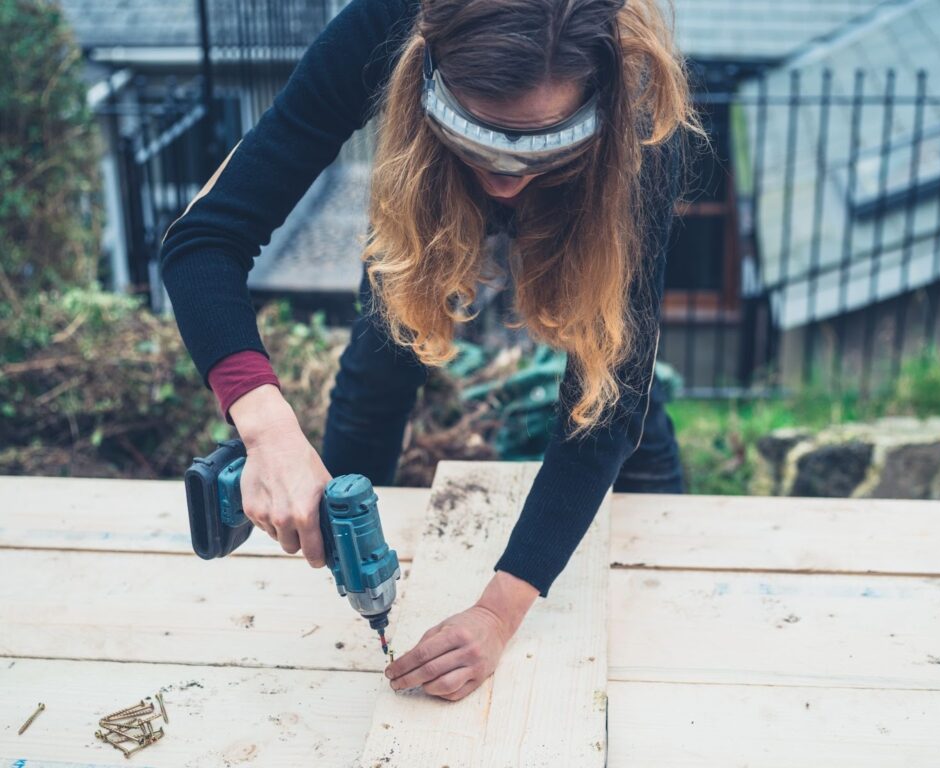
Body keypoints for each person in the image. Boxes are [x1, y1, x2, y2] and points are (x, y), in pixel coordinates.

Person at [159, 0, 706, 702]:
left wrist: (497, 612)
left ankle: (656, 505)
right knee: (384, 353)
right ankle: (350, 561)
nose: (504, 182)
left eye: (535, 145)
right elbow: (205, 242)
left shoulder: (638, 99)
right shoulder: (386, 22)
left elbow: (606, 402)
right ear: (426, 79)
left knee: (615, 380)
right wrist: (266, 429)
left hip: (592, 181)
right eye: (479, 139)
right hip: (431, 173)